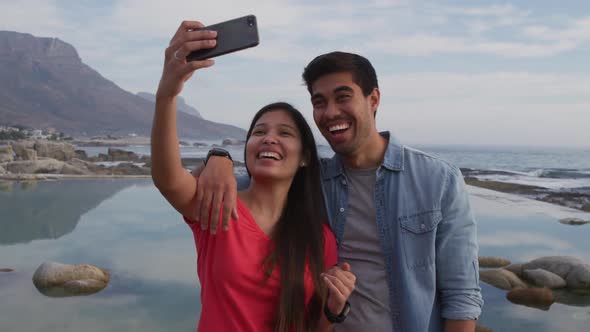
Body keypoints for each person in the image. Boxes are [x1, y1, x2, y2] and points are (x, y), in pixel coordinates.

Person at [197, 51, 484, 331]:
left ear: (373, 99)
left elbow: (462, 295)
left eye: (343, 97)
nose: (331, 112)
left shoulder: (438, 180)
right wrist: (218, 157)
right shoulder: (310, 180)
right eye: (319, 102)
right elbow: (240, 184)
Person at [151, 21, 356, 332]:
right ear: (247, 148)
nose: (269, 139)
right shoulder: (218, 205)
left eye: (284, 133)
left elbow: (315, 328)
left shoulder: (320, 237)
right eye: (259, 132)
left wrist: (333, 309)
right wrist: (167, 94)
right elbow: (167, 178)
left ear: (304, 158)